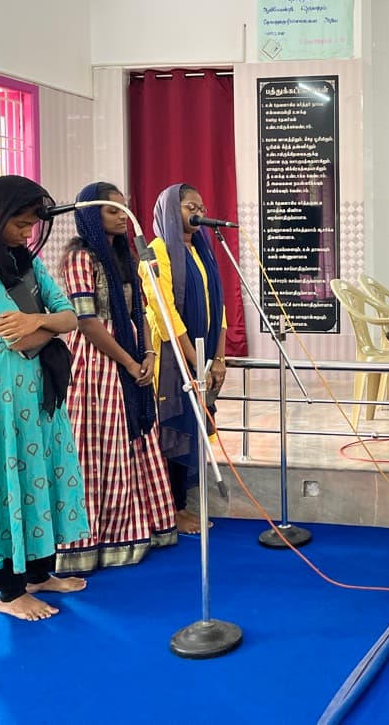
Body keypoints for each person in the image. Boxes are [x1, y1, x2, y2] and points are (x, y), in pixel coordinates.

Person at [0, 175, 90, 621]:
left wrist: (38, 321)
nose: (27, 233)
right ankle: (10, 593)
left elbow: (72, 317)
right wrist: (43, 322)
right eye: (19, 223)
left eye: (32, 225)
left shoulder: (27, 262)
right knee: (5, 484)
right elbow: (16, 335)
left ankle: (38, 575)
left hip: (40, 397)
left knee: (39, 480)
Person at [55, 182, 177, 574]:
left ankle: (137, 526)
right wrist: (127, 361)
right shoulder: (81, 257)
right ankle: (95, 538)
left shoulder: (125, 256)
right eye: (113, 210)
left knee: (134, 441)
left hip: (132, 351)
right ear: (91, 215)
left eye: (125, 209)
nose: (123, 217)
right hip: (98, 363)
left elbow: (140, 310)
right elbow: (87, 322)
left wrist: (148, 354)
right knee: (99, 447)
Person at [142, 183, 229, 534]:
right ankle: (173, 510)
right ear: (169, 211)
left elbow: (218, 306)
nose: (198, 212)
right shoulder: (156, 252)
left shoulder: (203, 250)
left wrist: (219, 357)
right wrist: (196, 361)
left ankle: (180, 506)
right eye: (190, 206)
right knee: (174, 429)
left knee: (194, 427)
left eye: (201, 207)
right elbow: (165, 313)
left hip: (203, 358)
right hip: (172, 359)